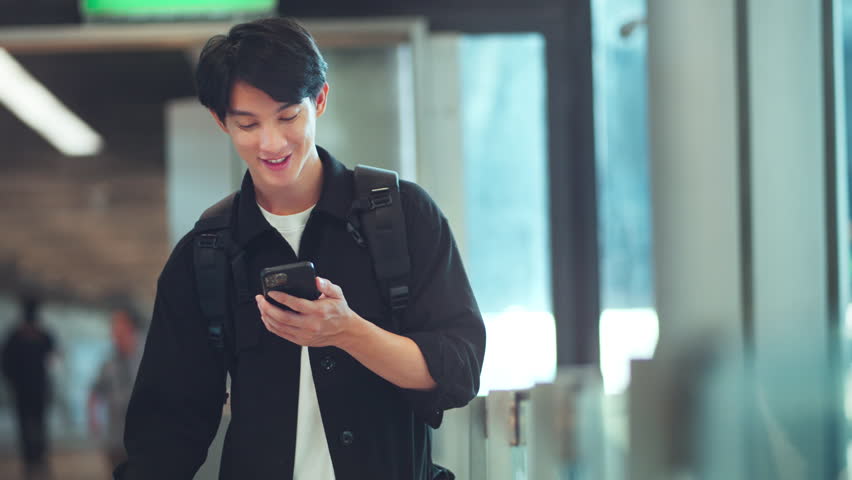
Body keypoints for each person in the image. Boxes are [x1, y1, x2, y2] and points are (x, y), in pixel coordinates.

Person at [117, 17, 485, 480]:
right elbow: (167, 429)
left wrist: (348, 331)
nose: (271, 143)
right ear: (220, 121)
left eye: (288, 116)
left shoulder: (402, 216)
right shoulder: (205, 253)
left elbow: (460, 370)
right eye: (247, 124)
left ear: (320, 100)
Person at [1, 295, 56, 480]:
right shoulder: (36, 335)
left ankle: (35, 458)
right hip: (31, 389)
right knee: (33, 424)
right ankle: (34, 458)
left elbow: (6, 364)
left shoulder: (18, 336)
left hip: (29, 389)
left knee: (31, 425)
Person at [88, 306, 142, 475]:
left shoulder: (147, 358)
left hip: (141, 438)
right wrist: (93, 418)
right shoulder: (108, 363)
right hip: (115, 438)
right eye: (113, 327)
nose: (114, 332)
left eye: (118, 326)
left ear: (130, 328)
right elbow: (95, 392)